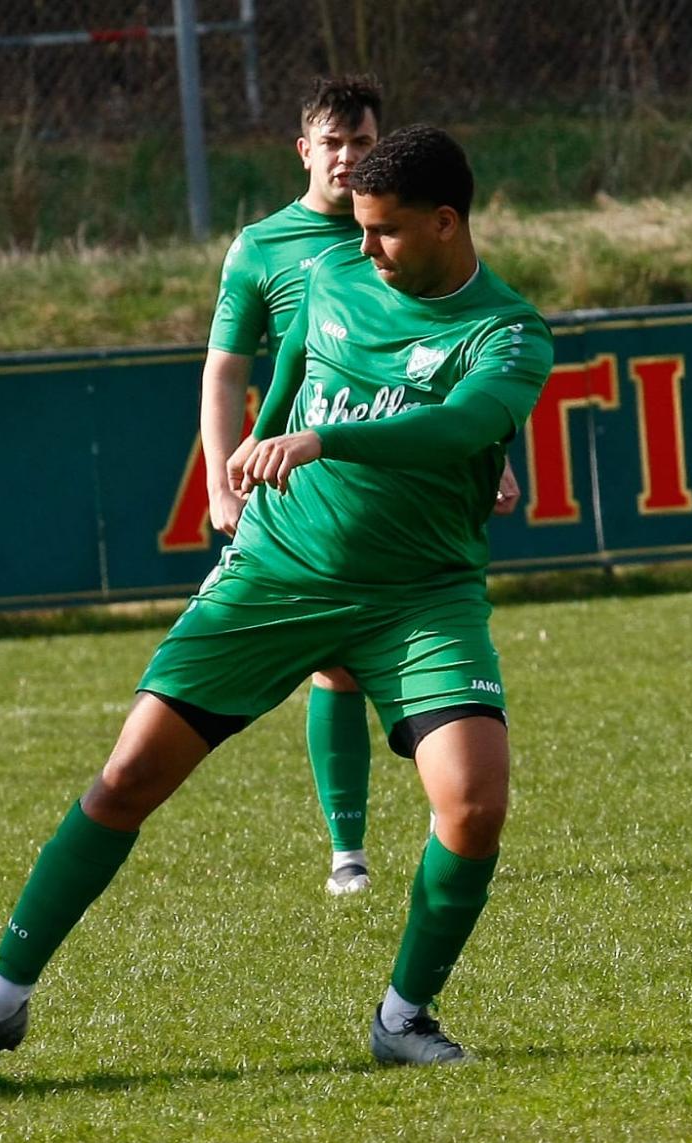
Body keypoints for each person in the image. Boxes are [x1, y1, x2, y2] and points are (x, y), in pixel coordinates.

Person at [0, 126, 553, 1066]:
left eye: (386, 230)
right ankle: (0, 1001)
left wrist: (325, 441)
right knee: (127, 777)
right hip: (278, 572)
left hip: (420, 596)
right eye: (359, 226)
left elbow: (461, 424)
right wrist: (255, 456)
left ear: (447, 223)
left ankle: (403, 1018)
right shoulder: (335, 275)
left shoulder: (508, 332)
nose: (364, 246)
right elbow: (294, 373)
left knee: (474, 804)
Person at [201, 77, 520, 898]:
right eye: (332, 142)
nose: (347, 157)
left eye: (362, 142)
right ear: (303, 150)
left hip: (400, 477)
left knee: (367, 663)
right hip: (307, 479)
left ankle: (436, 812)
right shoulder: (264, 248)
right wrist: (224, 476)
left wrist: (490, 452)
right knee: (330, 667)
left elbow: (456, 369)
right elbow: (230, 369)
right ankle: (348, 847)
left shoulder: (409, 229)